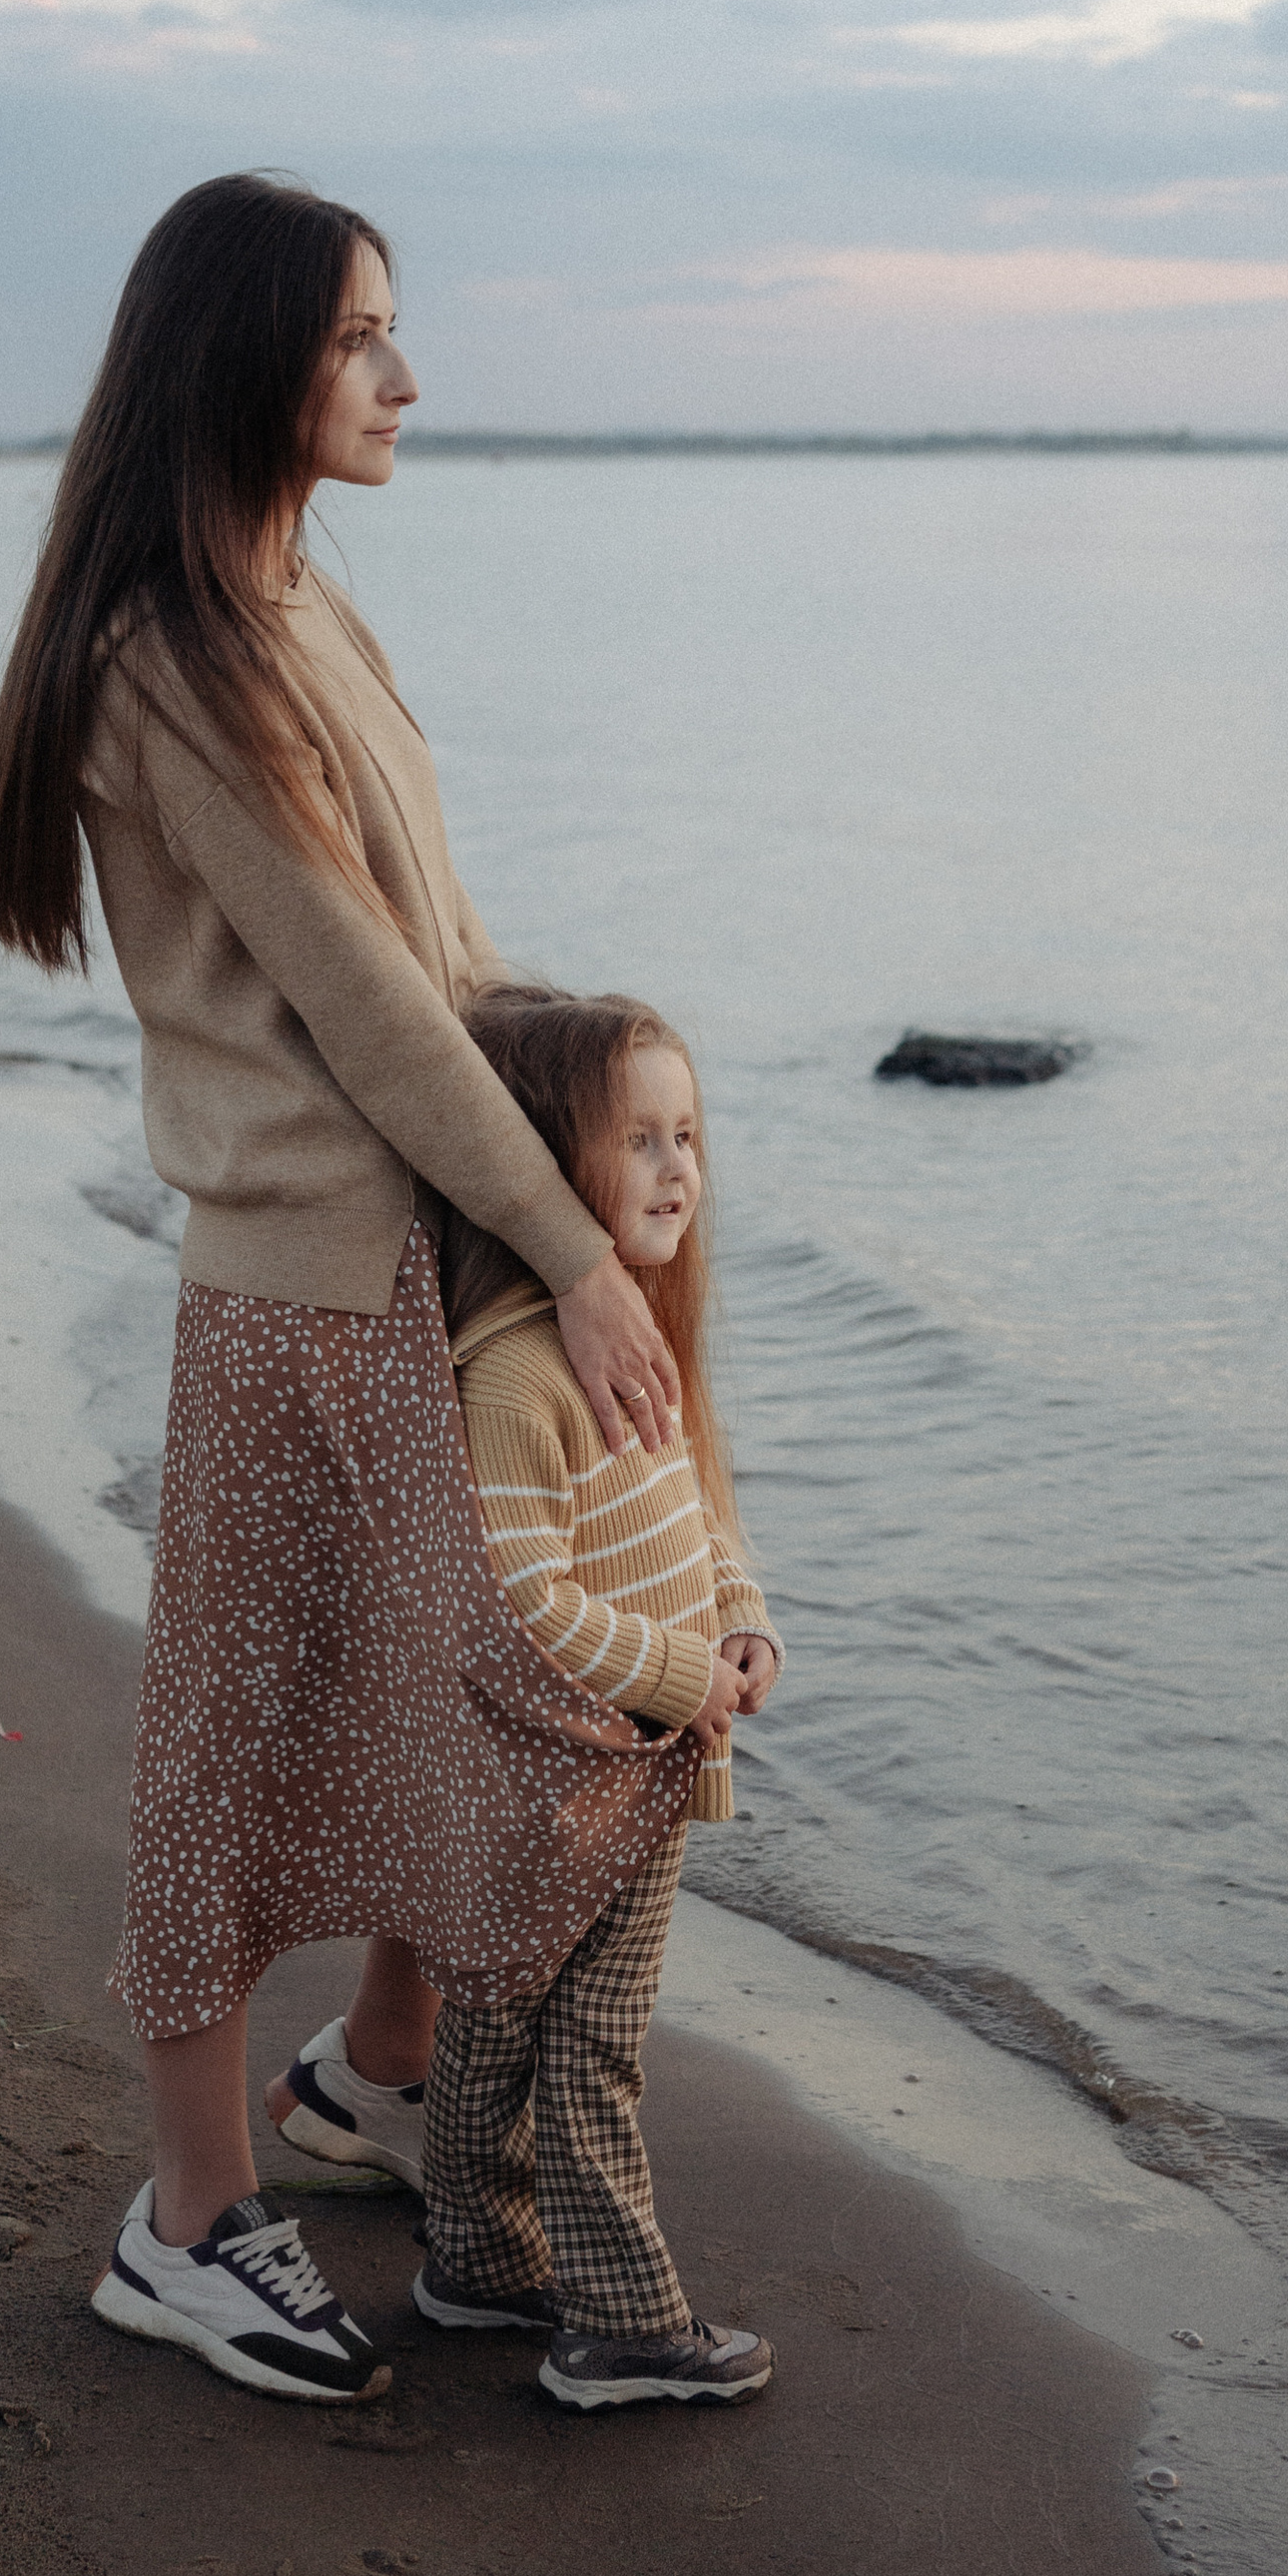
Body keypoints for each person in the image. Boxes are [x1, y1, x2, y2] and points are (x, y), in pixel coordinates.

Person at [0, 172, 696, 2404]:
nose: (403, 375)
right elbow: (366, 1009)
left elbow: (445, 968)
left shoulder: (305, 616)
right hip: (300, 1285)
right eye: (364, 334)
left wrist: (580, 1144)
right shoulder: (165, 656)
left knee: (485, 1701)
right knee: (253, 1743)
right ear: (249, 355)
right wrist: (575, 1252)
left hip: (424, 1253)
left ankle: (378, 2074)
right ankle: (189, 2219)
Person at [385, 982, 784, 2409]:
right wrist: (686, 1677)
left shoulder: (633, 1340)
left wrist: (739, 1618)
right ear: (549, 1169)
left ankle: (479, 2260)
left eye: (692, 1136)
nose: (681, 1170)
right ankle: (617, 2322)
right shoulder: (518, 1375)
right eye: (643, 1141)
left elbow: (695, 1509)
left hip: (638, 1752)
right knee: (585, 2037)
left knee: (503, 2009)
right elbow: (522, 1597)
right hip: (581, 1768)